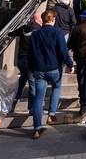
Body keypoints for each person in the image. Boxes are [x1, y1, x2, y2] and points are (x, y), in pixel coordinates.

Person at [27, 10, 74, 139]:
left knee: (38, 98)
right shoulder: (58, 32)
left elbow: (30, 54)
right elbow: (63, 51)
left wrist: (31, 68)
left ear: (43, 20)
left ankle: (37, 128)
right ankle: (51, 114)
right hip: (54, 68)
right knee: (57, 87)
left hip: (39, 70)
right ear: (53, 19)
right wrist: (70, 64)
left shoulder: (34, 35)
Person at [8, 11, 42, 113]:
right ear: (37, 20)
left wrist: (8, 32)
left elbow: (11, 34)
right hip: (31, 60)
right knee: (32, 83)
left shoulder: (23, 28)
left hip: (20, 60)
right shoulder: (39, 30)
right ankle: (31, 108)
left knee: (22, 80)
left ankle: (14, 102)